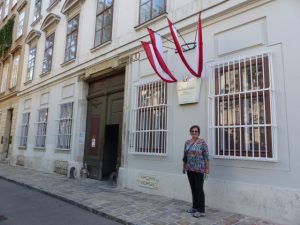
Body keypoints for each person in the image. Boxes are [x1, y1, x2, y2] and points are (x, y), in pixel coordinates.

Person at [182, 125, 209, 218]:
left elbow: (206, 157)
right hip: (189, 168)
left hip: (199, 169)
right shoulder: (187, 142)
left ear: (198, 133)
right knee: (193, 189)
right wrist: (184, 167)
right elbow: (185, 156)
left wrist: (207, 168)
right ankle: (195, 207)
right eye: (192, 131)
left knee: (199, 189)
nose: (194, 132)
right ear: (190, 132)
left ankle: (201, 210)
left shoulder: (202, 142)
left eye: (196, 131)